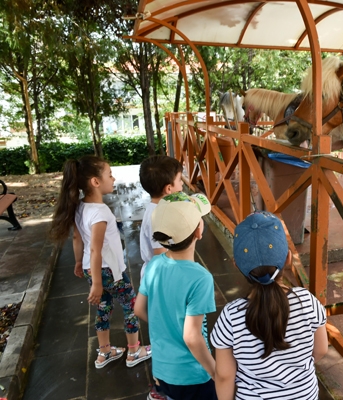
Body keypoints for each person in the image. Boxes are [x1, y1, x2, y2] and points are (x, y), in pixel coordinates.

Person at [211, 211, 329, 400]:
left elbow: (225, 376)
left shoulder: (230, 316)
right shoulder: (307, 301)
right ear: (288, 259)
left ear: (237, 265)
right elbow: (321, 350)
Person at [49, 155, 151, 369]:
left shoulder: (79, 207)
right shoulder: (100, 212)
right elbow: (96, 248)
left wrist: (79, 263)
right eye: (109, 175)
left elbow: (78, 239)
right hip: (108, 271)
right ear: (95, 182)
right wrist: (97, 282)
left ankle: (105, 352)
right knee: (130, 306)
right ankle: (134, 351)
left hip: (90, 268)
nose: (113, 179)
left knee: (103, 308)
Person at [134, 192, 217, 400]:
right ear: (199, 231)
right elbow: (192, 337)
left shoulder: (153, 265)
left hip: (162, 369)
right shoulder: (200, 278)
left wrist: (166, 324)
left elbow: (139, 309)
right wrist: (215, 372)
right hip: (192, 374)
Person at [139, 155, 184, 278]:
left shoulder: (156, 209)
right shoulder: (160, 217)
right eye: (180, 180)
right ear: (169, 189)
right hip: (160, 278)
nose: (182, 184)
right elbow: (161, 256)